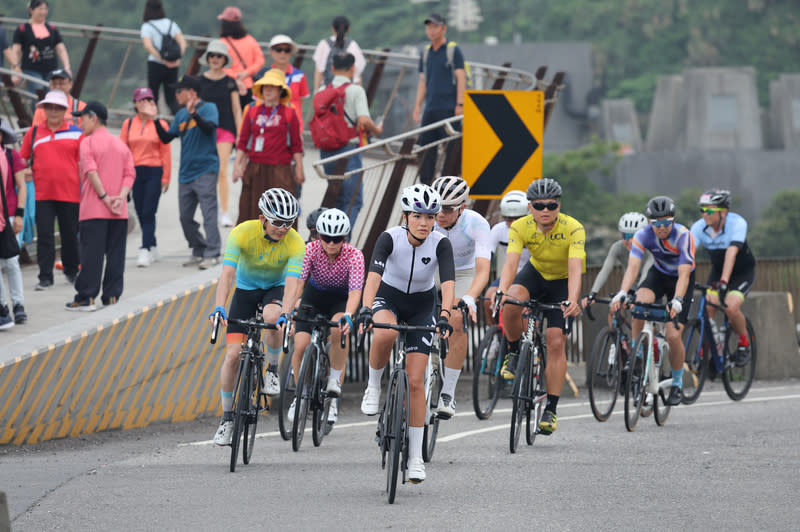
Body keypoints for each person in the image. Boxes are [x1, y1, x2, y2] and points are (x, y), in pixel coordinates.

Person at [358, 183, 455, 484]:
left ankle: (415, 457)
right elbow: (373, 278)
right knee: (385, 333)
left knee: (416, 382)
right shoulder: (390, 238)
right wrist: (365, 308)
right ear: (406, 216)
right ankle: (374, 387)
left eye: (430, 217)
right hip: (389, 298)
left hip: (422, 306)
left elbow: (448, 284)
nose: (424, 223)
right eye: (418, 216)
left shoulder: (441, 243)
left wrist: (444, 315)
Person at [210, 188, 306, 446]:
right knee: (232, 356)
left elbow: (292, 283)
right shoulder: (242, 232)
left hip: (274, 290)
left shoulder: (296, 241)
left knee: (273, 316)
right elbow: (227, 274)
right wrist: (220, 306)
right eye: (277, 222)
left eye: (289, 223)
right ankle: (227, 418)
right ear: (262, 218)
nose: (283, 228)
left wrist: (287, 312)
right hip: (245, 291)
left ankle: (272, 369)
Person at [495, 178, 584, 436]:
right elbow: (511, 263)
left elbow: (576, 267)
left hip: (562, 283)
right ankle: (513, 353)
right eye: (539, 205)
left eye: (551, 205)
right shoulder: (520, 226)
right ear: (530, 207)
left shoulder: (573, 228)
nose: (545, 210)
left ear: (559, 205)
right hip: (535, 274)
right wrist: (501, 290)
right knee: (510, 301)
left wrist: (573, 299)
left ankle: (551, 410)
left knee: (555, 341)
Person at [610, 195, 696, 407]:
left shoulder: (684, 236)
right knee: (639, 304)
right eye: (657, 223)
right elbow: (633, 267)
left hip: (681, 279)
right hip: (659, 275)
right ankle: (637, 351)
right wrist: (622, 292)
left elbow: (684, 275)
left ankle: (677, 383)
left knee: (673, 335)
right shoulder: (643, 235)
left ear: (673, 220)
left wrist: (677, 300)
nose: (662, 227)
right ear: (650, 223)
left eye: (666, 222)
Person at [288, 208, 364, 427]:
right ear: (318, 235)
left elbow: (355, 291)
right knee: (301, 345)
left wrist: (349, 315)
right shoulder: (309, 250)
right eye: (326, 238)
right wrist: (292, 306)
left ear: (345, 238)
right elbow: (299, 283)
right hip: (314, 297)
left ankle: (333, 390)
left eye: (337, 239)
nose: (331, 243)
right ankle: (300, 397)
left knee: (339, 329)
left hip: (340, 300)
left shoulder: (355, 255)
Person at [142, 75, 221, 269]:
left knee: (208, 213)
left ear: (191, 92)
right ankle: (198, 248)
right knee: (185, 217)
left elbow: (209, 128)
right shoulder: (180, 115)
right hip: (186, 173)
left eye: (179, 90)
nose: (176, 94)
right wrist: (154, 119)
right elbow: (167, 138)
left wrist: (194, 114)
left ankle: (212, 253)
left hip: (206, 170)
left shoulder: (209, 108)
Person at [430, 176, 491, 418]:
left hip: (462, 271)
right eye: (437, 206)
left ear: (462, 207)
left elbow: (484, 270)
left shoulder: (477, 223)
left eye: (447, 208)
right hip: (431, 268)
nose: (440, 213)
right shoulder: (426, 217)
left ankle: (448, 392)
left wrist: (469, 298)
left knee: (456, 318)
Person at [65, 102, 135, 310]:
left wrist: (105, 198)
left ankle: (86, 297)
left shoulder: (87, 143)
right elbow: (130, 174)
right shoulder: (120, 145)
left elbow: (91, 171)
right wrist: (120, 198)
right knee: (115, 255)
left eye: (83, 118)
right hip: (118, 211)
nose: (81, 123)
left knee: (91, 255)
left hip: (94, 209)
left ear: (93, 118)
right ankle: (111, 296)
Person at [19, 90, 82, 290]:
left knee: (70, 234)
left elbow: (85, 163)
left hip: (70, 192)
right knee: (45, 235)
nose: (53, 111)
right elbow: (21, 160)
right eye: (49, 107)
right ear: (44, 109)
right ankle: (45, 277)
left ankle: (72, 271)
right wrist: (25, 170)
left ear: (65, 110)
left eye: (58, 108)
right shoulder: (34, 132)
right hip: (43, 193)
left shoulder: (76, 133)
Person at [317, 52, 382, 230]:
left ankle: (329, 239)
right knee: (353, 200)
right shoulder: (355, 90)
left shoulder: (323, 89)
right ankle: (343, 241)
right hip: (348, 151)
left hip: (326, 150)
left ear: (332, 68)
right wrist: (377, 130)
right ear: (353, 68)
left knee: (336, 196)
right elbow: (363, 120)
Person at [690, 189, 756, 363]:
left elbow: (731, 254)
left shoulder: (737, 223)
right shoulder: (698, 227)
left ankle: (743, 344)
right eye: (702, 210)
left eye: (709, 210)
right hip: (718, 271)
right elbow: (688, 255)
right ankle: (712, 348)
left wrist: (725, 282)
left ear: (724, 212)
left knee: (731, 307)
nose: (705, 214)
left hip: (741, 273)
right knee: (708, 308)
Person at [233, 69, 304, 224]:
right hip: (255, 168)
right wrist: (237, 165)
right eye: (265, 86)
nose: (268, 90)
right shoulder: (252, 111)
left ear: (281, 91)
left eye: (273, 86)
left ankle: (283, 246)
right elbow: (243, 141)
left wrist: (299, 168)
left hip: (280, 169)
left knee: (282, 211)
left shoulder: (289, 113)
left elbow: (296, 145)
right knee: (250, 211)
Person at [120, 87, 172, 267]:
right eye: (141, 100)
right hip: (135, 171)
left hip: (154, 170)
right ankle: (152, 243)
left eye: (148, 100)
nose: (145, 103)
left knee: (149, 210)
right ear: (135, 103)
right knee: (141, 210)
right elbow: (123, 151)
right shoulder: (128, 124)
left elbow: (165, 151)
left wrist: (166, 177)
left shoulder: (160, 124)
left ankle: (145, 248)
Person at [412, 13, 465, 185]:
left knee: (452, 148)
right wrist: (418, 105)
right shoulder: (426, 53)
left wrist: (460, 104)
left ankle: (448, 185)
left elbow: (461, 77)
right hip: (430, 108)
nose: (431, 30)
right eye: (429, 27)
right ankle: (426, 185)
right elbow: (423, 81)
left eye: (435, 27)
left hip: (449, 107)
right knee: (425, 149)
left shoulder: (452, 50)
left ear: (443, 28)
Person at [199, 39, 242, 228]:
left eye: (219, 56)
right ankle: (210, 209)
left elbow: (236, 109)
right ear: (208, 58)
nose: (215, 59)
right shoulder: (199, 81)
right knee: (206, 171)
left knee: (221, 169)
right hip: (204, 130)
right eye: (212, 56)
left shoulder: (229, 82)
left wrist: (241, 133)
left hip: (225, 129)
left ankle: (224, 211)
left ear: (224, 60)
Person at [582, 212, 654, 320]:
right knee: (613, 309)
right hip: (631, 285)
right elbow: (605, 271)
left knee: (641, 315)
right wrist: (593, 293)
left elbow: (645, 275)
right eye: (626, 236)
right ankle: (614, 335)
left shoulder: (650, 250)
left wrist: (637, 297)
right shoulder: (618, 247)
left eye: (635, 236)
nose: (630, 241)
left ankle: (653, 334)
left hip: (650, 285)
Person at [482, 190, 531, 321]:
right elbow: (487, 256)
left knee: (525, 314)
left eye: (518, 218)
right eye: (508, 219)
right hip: (509, 274)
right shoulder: (499, 230)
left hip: (530, 276)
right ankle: (495, 335)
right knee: (488, 299)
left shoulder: (534, 230)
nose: (513, 222)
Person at [0, 119, 28, 325]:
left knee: (11, 261)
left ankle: (18, 304)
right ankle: (3, 306)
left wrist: (19, 214)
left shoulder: (11, 156)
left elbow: (21, 186)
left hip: (9, 214)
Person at [140, 0, 186, 115]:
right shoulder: (170, 23)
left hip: (155, 64)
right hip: (173, 65)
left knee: (152, 96)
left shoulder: (147, 26)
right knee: (172, 98)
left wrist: (162, 60)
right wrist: (177, 59)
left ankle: (153, 123)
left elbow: (148, 46)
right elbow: (183, 43)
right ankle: (180, 122)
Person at [258, 34, 311, 134]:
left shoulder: (299, 75)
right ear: (271, 52)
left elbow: (301, 101)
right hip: (270, 123)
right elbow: (259, 100)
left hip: (293, 124)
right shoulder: (265, 75)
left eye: (287, 50)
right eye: (278, 50)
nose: (283, 53)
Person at [10, 0, 71, 84]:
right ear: (31, 10)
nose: (43, 12)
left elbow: (61, 49)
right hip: (31, 70)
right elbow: (16, 51)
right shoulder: (22, 29)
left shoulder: (52, 29)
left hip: (51, 70)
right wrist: (15, 69)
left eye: (45, 9)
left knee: (50, 95)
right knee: (38, 91)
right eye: (40, 9)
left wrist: (67, 67)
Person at [218, 6, 265, 109]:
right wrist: (247, 73)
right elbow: (260, 60)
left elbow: (221, 66)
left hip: (228, 86)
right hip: (249, 85)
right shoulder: (250, 40)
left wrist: (236, 76)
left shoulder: (223, 42)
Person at [312, 15, 367, 93]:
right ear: (348, 29)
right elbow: (357, 75)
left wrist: (316, 91)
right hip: (348, 92)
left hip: (327, 91)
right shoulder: (353, 45)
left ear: (333, 28)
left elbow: (319, 71)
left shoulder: (324, 44)